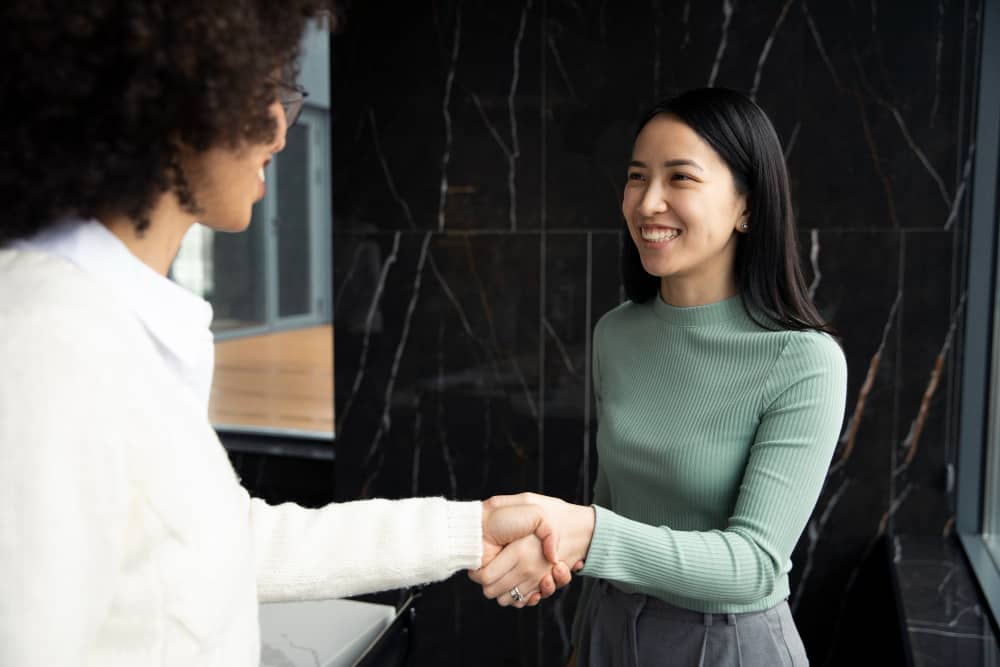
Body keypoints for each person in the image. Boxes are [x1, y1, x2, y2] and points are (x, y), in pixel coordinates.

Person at [0, 3, 570, 664]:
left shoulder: (98, 323)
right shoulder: (42, 349)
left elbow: (220, 539)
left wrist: (468, 529)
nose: (281, 128)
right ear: (173, 95)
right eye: (264, 91)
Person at [471, 88, 848, 666]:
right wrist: (565, 573)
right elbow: (609, 501)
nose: (648, 203)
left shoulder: (803, 360)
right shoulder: (617, 334)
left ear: (747, 205)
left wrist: (587, 535)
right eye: (636, 177)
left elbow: (755, 565)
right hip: (608, 629)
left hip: (726, 645)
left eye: (680, 178)